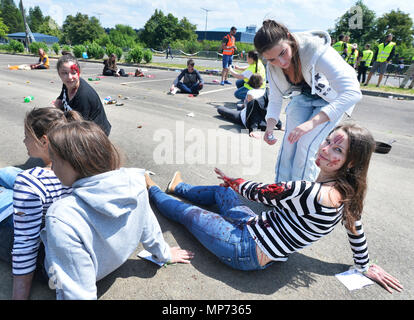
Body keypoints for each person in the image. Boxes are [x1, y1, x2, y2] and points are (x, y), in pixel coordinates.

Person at [145, 123, 403, 294]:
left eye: (337, 149)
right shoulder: (350, 192)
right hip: (255, 229)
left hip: (243, 248)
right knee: (223, 190)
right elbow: (356, 230)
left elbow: (258, 192)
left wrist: (234, 181)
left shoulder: (310, 191)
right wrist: (365, 264)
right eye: (327, 141)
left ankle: (150, 188)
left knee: (186, 214)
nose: (325, 150)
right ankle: (178, 187)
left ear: (351, 161)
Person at [42, 121, 194, 300]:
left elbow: (77, 293)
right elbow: (149, 228)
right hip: (107, 264)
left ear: (72, 163)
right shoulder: (135, 182)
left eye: (54, 159)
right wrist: (165, 254)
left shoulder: (61, 217)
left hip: (60, 273)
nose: (51, 167)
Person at [253, 20, 362, 183]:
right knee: (289, 144)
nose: (281, 63)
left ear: (289, 38)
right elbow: (275, 99)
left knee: (306, 144)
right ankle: (281, 191)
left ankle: (301, 196)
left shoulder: (316, 51)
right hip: (303, 97)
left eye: (283, 53)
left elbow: (353, 92)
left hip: (331, 100)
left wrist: (311, 123)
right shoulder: (272, 67)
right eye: (273, 59)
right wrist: (269, 126)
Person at [0, 107, 81, 300]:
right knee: (8, 174)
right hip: (56, 232)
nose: (24, 141)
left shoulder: (31, 181)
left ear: (44, 141)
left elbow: (24, 246)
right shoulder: (82, 165)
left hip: (33, 243)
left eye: (27, 136)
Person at [53, 54, 112, 136]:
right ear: (59, 74)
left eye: (73, 73)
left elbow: (78, 129)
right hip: (78, 125)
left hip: (95, 134)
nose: (70, 77)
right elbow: (61, 97)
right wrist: (57, 103)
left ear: (79, 73)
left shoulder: (83, 96)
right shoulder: (67, 84)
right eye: (64, 73)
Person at [217, 73, 281, 138]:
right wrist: (279, 125)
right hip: (264, 121)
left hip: (246, 118)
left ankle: (221, 108)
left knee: (221, 109)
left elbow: (253, 112)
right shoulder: (266, 92)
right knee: (239, 106)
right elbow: (272, 110)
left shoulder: (250, 93)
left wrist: (253, 129)